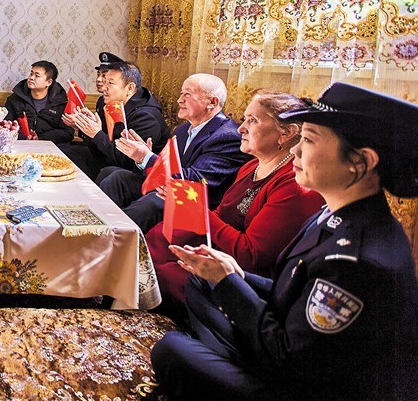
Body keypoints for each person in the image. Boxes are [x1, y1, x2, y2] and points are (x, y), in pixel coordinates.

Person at [150, 82, 418, 401]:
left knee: (171, 350)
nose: (295, 150)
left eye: (309, 140)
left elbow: (289, 356)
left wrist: (230, 283)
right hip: (293, 360)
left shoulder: (358, 261)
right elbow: (292, 290)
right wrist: (232, 275)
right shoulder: (337, 214)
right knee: (203, 280)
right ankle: (225, 356)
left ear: (360, 162)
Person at [145, 89, 325, 314]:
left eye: (253, 121)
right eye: (244, 119)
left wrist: (198, 210)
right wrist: (186, 204)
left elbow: (250, 255)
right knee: (155, 240)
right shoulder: (251, 166)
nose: (241, 128)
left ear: (287, 133)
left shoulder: (294, 185)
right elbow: (221, 215)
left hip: (243, 276)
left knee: (165, 273)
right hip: (219, 251)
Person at [98, 73, 248, 231]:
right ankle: (95, 226)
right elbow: (166, 166)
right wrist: (142, 157)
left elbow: (195, 180)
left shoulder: (227, 137)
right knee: (118, 178)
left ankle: (112, 236)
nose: (179, 100)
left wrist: (146, 157)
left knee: (152, 203)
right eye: (181, 93)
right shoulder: (183, 129)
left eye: (187, 94)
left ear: (212, 102)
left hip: (194, 203)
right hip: (168, 188)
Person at [60, 52, 169, 181]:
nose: (104, 88)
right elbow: (101, 147)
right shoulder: (110, 103)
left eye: (110, 83)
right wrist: (87, 127)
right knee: (65, 151)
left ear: (130, 88)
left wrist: (96, 133)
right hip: (111, 159)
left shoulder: (145, 117)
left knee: (107, 173)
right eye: (104, 82)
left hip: (140, 175)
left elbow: (126, 161)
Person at [2, 60, 74, 143]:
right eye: (31, 74)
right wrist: (25, 137)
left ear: (49, 82)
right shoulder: (15, 99)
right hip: (21, 144)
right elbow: (5, 126)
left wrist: (40, 138)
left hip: (50, 146)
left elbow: (67, 133)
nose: (31, 78)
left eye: (37, 76)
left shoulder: (61, 102)